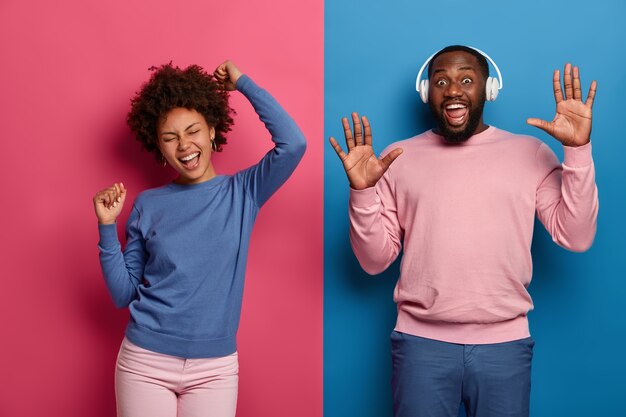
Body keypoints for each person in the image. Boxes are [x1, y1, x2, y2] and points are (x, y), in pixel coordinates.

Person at [329, 45, 598, 417]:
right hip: (420, 345)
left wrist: (578, 151)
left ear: (488, 90)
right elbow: (374, 262)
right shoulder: (398, 158)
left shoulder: (530, 153)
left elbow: (577, 235)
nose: (453, 90)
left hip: (505, 347)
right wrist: (362, 192)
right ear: (428, 94)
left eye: (466, 80)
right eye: (441, 81)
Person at [93, 60, 306, 417]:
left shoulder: (243, 192)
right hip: (145, 361)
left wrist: (243, 84)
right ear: (159, 147)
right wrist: (105, 228)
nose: (184, 146)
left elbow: (293, 144)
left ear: (212, 130)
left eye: (193, 131)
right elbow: (122, 294)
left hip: (215, 369)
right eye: (170, 138)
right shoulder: (147, 205)